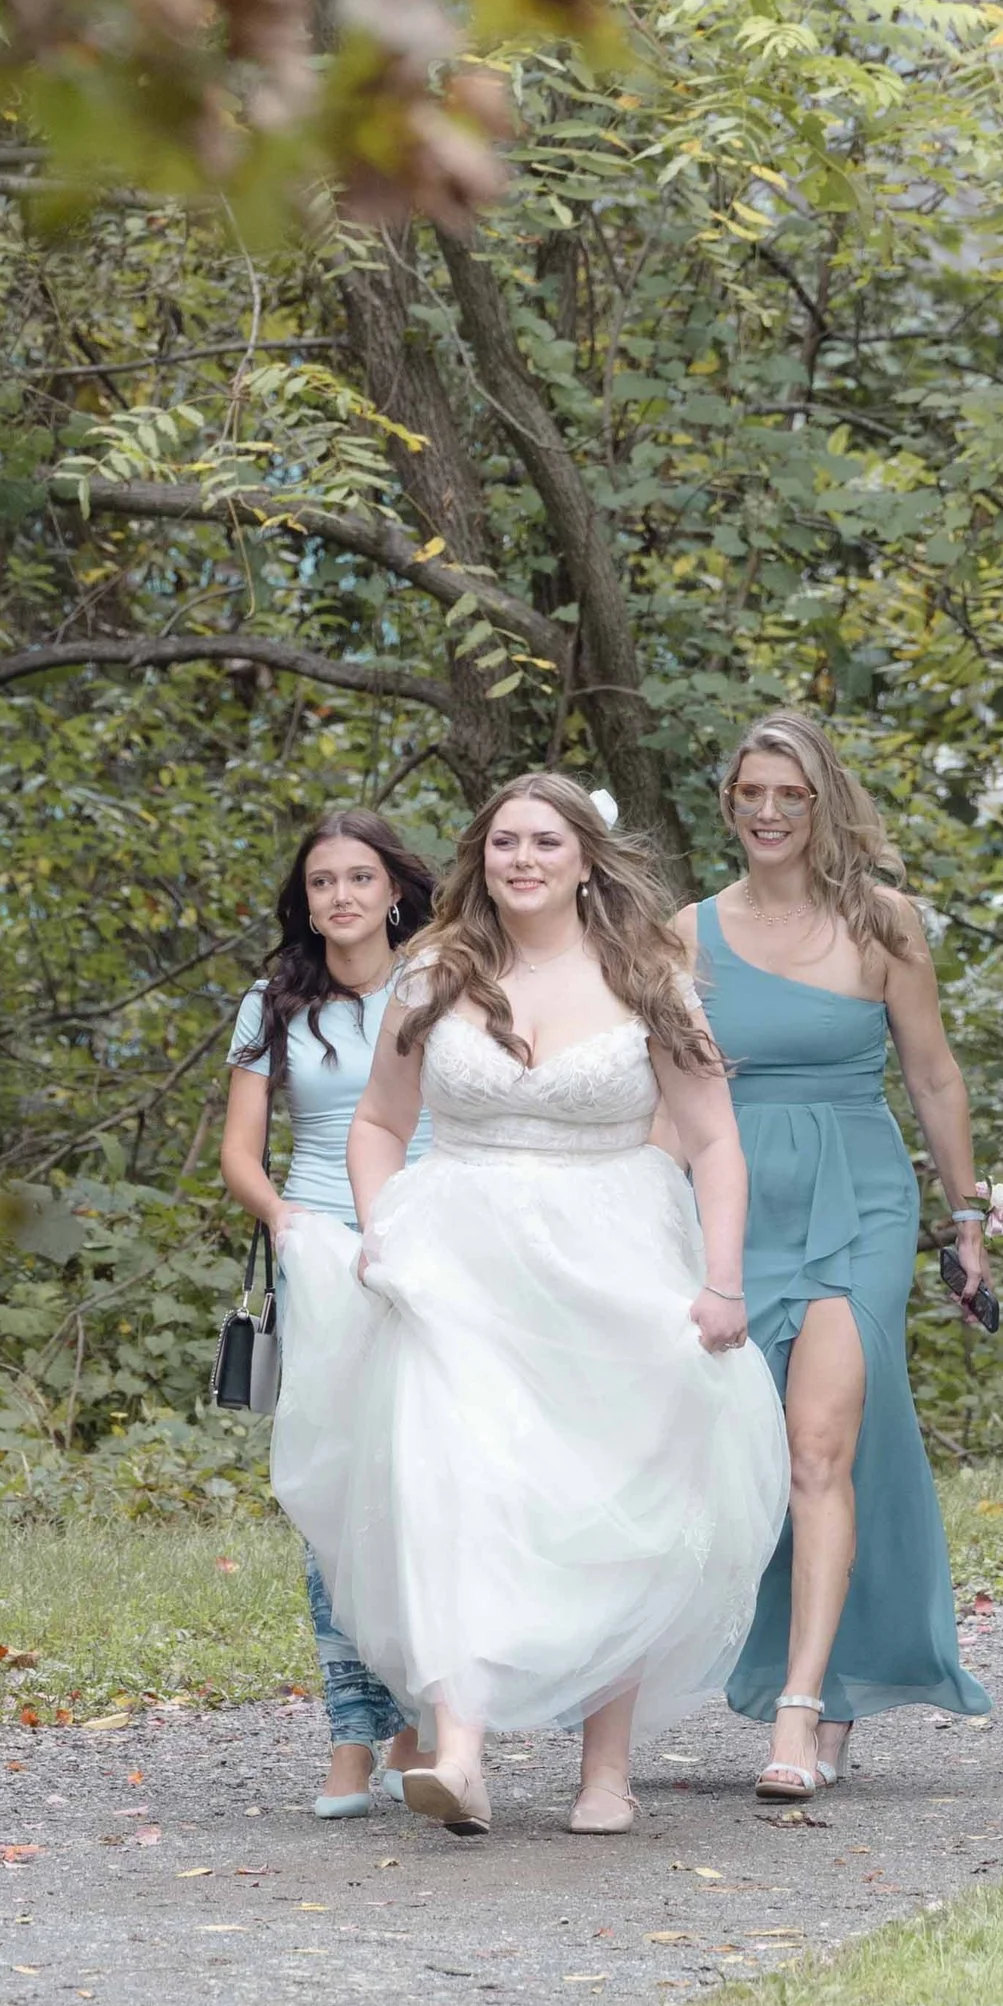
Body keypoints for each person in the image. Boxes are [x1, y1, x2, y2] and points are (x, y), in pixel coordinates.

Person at [272, 772, 787, 1840]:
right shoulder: (435, 975)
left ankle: (606, 1771)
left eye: (544, 843)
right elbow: (378, 1122)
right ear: (480, 858)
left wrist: (722, 1279)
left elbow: (714, 1139)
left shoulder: (647, 978)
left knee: (606, 1493)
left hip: (611, 1249)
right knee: (459, 1481)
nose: (522, 861)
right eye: (504, 843)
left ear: (585, 858)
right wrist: (381, 1233)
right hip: (457, 1255)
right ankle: (458, 1751)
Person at [680, 710, 994, 1801]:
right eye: (750, 794)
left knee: (820, 1446)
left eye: (789, 795)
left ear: (821, 805)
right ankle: (784, 1669)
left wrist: (966, 1223)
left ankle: (804, 1710)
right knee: (746, 1457)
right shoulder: (686, 934)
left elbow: (935, 1077)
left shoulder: (883, 924)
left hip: (856, 1194)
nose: (768, 813)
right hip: (733, 1202)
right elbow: (660, 1093)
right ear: (729, 804)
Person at [219, 810, 441, 1820]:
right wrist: (291, 1223)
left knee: (428, 1491)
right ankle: (352, 1740)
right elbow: (240, 1150)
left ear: (395, 890)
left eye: (359, 878)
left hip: (434, 1253)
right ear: (302, 900)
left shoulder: (443, 985)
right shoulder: (271, 1004)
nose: (340, 897)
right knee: (332, 1502)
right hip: (322, 1262)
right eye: (321, 882)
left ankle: (419, 1732)